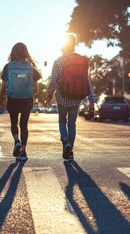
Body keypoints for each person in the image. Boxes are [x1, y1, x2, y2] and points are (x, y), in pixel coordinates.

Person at [46, 33, 95, 161]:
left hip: (62, 96)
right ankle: (71, 151)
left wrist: (49, 94)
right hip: (77, 97)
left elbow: (54, 80)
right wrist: (91, 99)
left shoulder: (58, 61)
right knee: (72, 124)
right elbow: (87, 80)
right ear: (74, 44)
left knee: (62, 121)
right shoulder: (81, 60)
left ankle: (66, 142)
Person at [0, 42, 42, 161]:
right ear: (26, 53)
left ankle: (16, 141)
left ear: (12, 53)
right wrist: (27, 92)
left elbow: (3, 87)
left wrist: (1, 98)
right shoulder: (31, 68)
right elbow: (37, 89)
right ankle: (23, 151)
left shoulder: (8, 67)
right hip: (27, 100)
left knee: (14, 123)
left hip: (12, 99)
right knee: (24, 125)